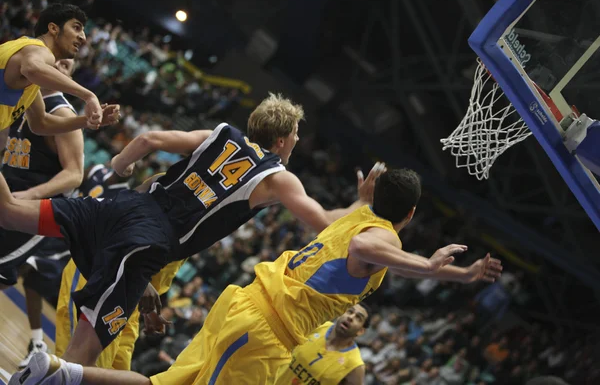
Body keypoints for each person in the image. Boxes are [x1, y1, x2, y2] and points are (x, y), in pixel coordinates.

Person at [1, 93, 383, 373]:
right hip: (148, 240)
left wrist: (116, 169)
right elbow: (322, 221)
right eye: (297, 134)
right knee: (81, 360)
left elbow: (148, 140)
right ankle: (44, 375)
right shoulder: (277, 177)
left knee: (10, 211)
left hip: (120, 207)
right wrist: (359, 207)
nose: (298, 141)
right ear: (282, 141)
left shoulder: (221, 134)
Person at [15, 168, 503, 385]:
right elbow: (362, 247)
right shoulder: (381, 238)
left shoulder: (355, 216)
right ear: (411, 214)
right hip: (266, 332)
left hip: (244, 308)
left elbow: (349, 232)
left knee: (164, 383)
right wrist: (439, 268)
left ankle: (58, 373)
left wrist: (359, 201)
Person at [54, 167, 184, 371]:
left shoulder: (210, 216)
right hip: (101, 276)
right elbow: (116, 221)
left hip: (130, 300)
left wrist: (149, 310)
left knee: (113, 373)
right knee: (78, 367)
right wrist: (141, 278)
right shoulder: (168, 183)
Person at [0, 58, 84, 367]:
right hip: (7, 190)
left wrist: (29, 196)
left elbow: (75, 174)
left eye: (67, 64)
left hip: (30, 208)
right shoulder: (22, 98)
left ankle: (38, 344)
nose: (60, 65)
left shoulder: (62, 112)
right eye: (55, 60)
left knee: (13, 276)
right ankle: (36, 343)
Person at [0, 3, 119, 147]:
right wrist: (88, 96)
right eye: (76, 27)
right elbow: (31, 67)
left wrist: (87, 120)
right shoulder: (37, 49)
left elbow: (41, 123)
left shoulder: (27, 70)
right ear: (53, 28)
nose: (83, 37)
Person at [274, 303, 371, 385]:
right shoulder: (316, 324)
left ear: (361, 331)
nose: (351, 317)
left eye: (358, 318)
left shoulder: (355, 365)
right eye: (350, 311)